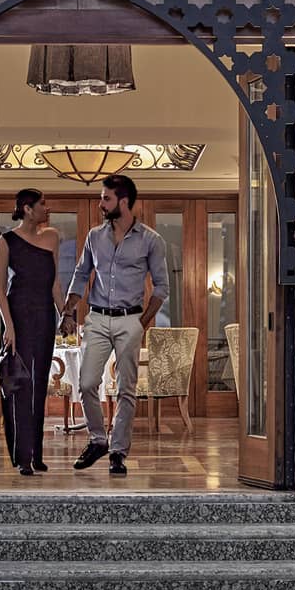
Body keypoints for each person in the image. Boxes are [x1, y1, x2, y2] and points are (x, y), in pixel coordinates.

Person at [61, 174, 169, 476]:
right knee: (85, 383)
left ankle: (118, 451)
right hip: (96, 318)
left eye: (106, 198)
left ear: (123, 201)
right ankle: (98, 440)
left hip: (130, 320)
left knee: (126, 390)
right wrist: (69, 311)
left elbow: (161, 288)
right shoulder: (95, 236)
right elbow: (81, 275)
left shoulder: (151, 240)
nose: (101, 203)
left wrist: (142, 323)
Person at [0, 188, 64, 476]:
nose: (46, 208)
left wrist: (66, 315)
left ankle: (37, 454)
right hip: (18, 317)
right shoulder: (6, 241)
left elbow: (55, 283)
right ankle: (22, 457)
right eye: (42, 204)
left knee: (39, 385)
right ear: (26, 208)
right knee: (20, 387)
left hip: (45, 316)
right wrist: (8, 325)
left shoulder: (53, 237)